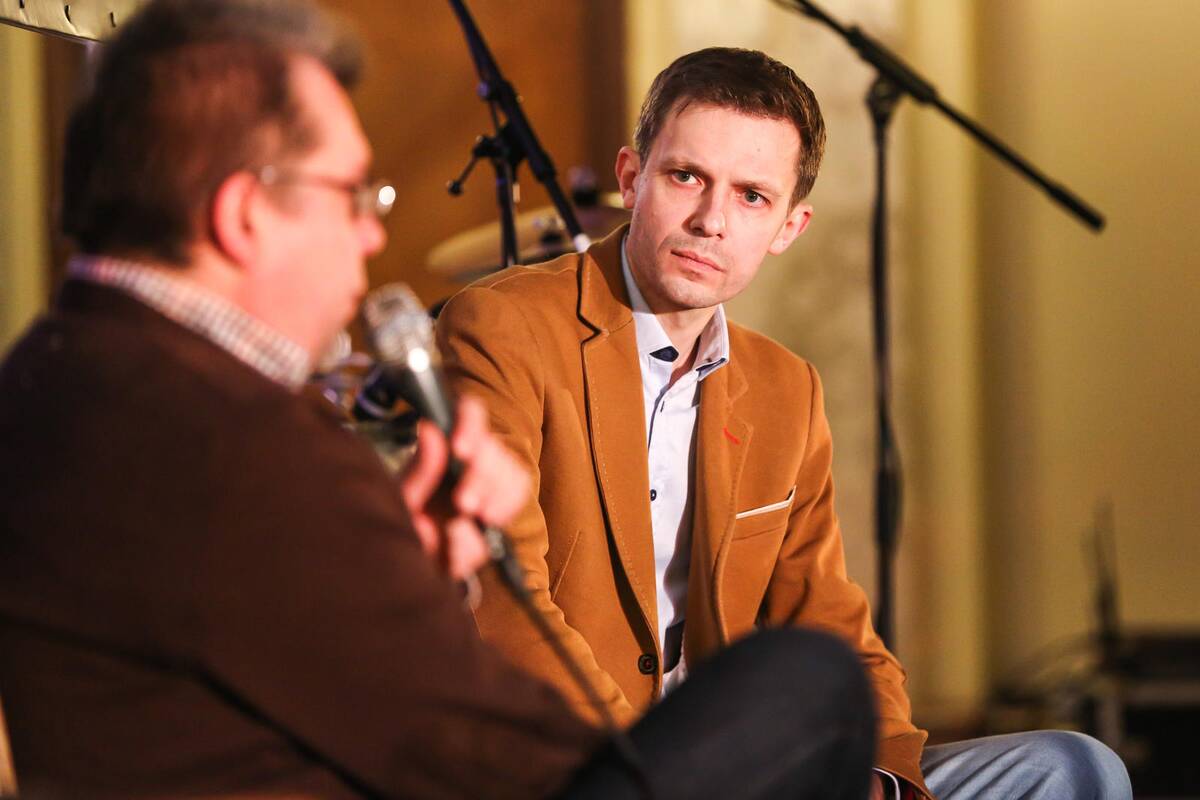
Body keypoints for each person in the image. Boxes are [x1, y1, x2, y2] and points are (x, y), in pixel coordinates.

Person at [0, 2, 878, 798]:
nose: (372, 231)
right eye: (351, 194)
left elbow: (285, 647)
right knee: (807, 685)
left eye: (751, 196)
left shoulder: (56, 372)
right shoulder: (238, 440)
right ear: (244, 214)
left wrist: (409, 557)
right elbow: (470, 742)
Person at [436, 47, 1133, 800]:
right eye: (686, 177)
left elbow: (830, 619)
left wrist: (882, 778)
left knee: (1071, 768)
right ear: (632, 179)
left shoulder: (785, 388)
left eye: (751, 197)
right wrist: (652, 772)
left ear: (789, 226)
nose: (711, 221)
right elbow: (504, 600)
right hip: (588, 769)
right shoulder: (503, 326)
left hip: (747, 773)